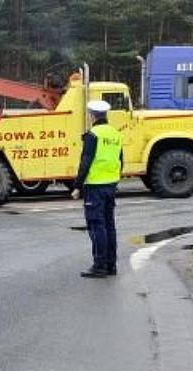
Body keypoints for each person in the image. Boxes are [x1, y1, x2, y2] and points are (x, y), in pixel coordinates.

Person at [71, 99, 123, 278]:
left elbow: (85, 161)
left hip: (95, 186)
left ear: (92, 115)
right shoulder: (115, 134)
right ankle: (111, 265)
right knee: (109, 225)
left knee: (96, 225)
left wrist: (77, 186)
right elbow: (120, 160)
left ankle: (99, 265)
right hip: (111, 185)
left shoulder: (93, 135)